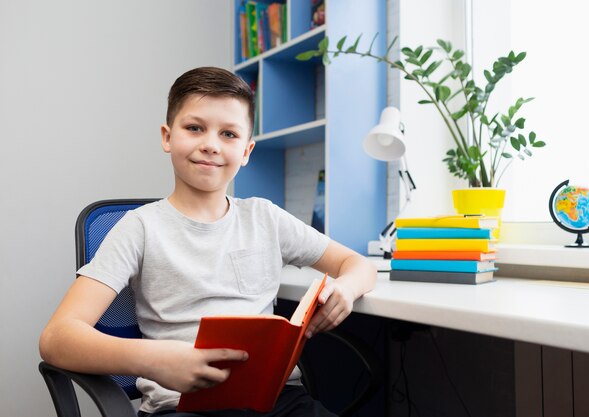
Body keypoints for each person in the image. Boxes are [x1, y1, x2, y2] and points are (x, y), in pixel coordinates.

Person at [39, 67, 377, 417]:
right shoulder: (139, 228)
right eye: (194, 128)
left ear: (246, 151)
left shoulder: (266, 218)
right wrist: (155, 360)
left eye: (228, 134)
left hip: (278, 403)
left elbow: (357, 265)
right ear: (167, 137)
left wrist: (348, 288)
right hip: (182, 407)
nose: (211, 144)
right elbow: (57, 338)